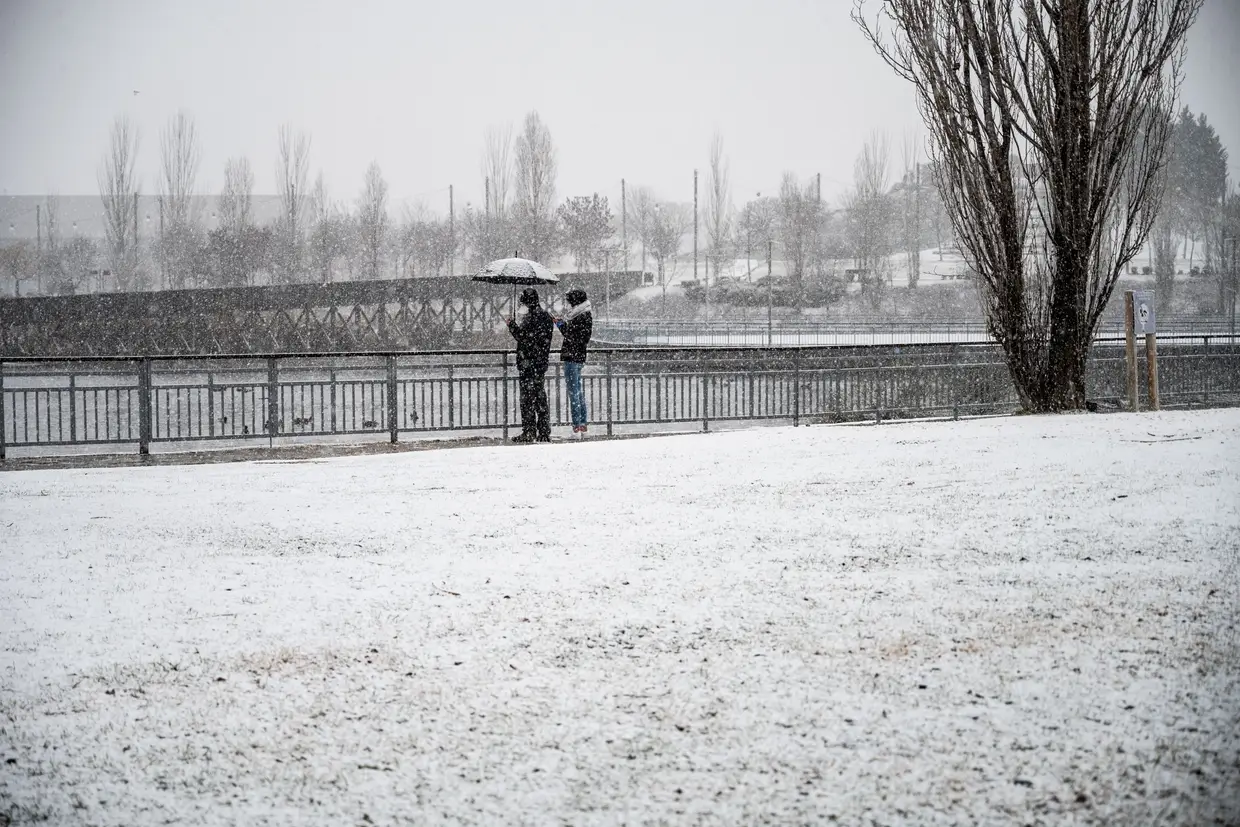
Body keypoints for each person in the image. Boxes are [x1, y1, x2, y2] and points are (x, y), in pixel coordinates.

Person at [506, 287, 554, 443]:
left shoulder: (530, 319)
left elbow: (523, 339)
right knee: (540, 398)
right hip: (540, 363)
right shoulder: (546, 317)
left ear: (526, 302)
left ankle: (529, 431)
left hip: (528, 364)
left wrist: (512, 325)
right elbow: (541, 341)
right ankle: (544, 432)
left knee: (527, 399)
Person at [554, 288, 593, 437]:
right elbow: (580, 337)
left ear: (575, 302)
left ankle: (577, 427)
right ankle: (583, 426)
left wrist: (561, 325)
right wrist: (563, 324)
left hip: (572, 357)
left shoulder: (579, 317)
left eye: (570, 302)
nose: (568, 305)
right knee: (578, 392)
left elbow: (571, 336)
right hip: (579, 356)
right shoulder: (585, 315)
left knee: (574, 393)